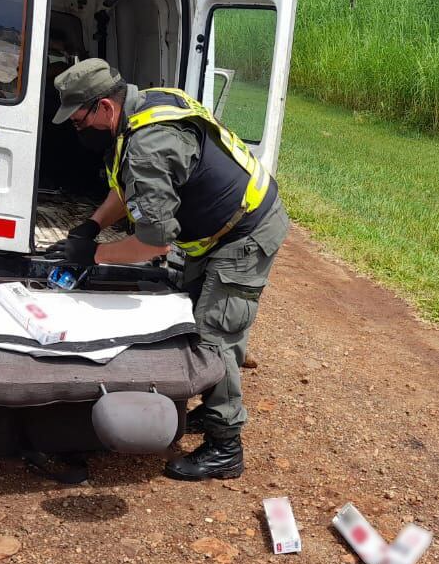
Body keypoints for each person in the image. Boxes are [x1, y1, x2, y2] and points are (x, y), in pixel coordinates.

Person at [47, 58, 289, 481]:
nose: (77, 129)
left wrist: (94, 256)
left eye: (80, 119)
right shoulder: (145, 108)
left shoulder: (149, 144)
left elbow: (153, 242)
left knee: (215, 337)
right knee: (189, 318)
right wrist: (92, 226)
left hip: (244, 233)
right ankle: (208, 407)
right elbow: (133, 189)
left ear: (105, 106)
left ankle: (225, 446)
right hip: (216, 232)